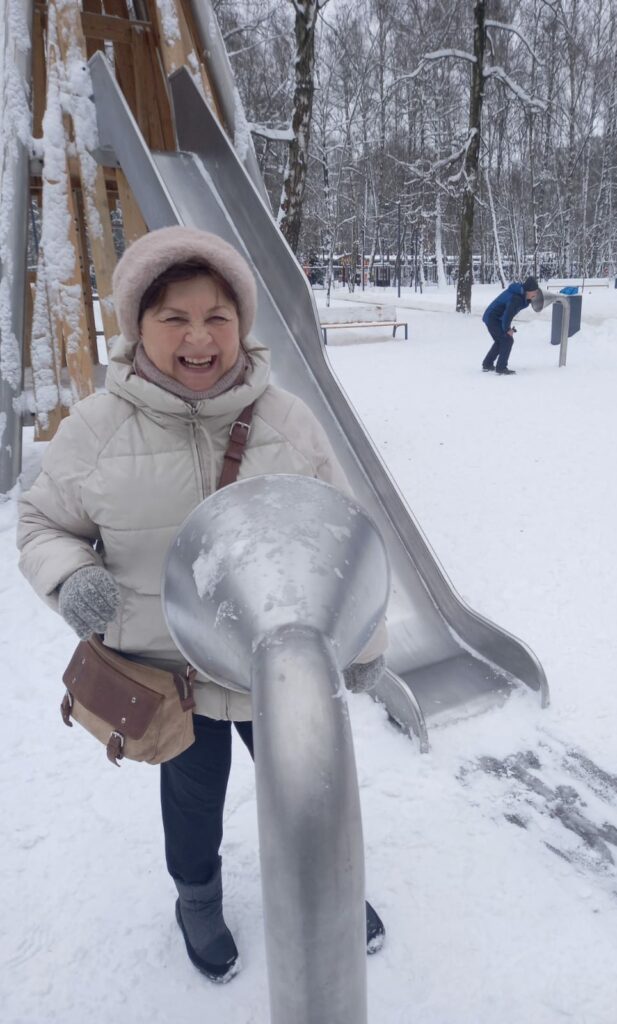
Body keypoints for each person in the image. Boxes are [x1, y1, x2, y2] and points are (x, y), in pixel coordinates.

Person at [16, 226, 388, 983]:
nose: (197, 337)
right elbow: (40, 522)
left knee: (312, 785)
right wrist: (69, 576)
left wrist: (368, 646)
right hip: (168, 675)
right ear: (138, 325)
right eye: (174, 317)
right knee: (192, 800)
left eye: (217, 316)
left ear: (241, 326)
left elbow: (342, 543)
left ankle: (330, 886)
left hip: (275, 668)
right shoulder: (94, 431)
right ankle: (197, 897)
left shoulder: (286, 422)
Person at [481, 275, 544, 375]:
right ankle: (501, 368)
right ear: (528, 290)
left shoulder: (521, 295)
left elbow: (508, 313)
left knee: (500, 340)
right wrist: (507, 330)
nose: (536, 294)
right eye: (535, 291)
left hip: (493, 317)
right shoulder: (517, 298)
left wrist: (507, 329)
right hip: (492, 318)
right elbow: (507, 315)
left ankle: (487, 364)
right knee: (507, 340)